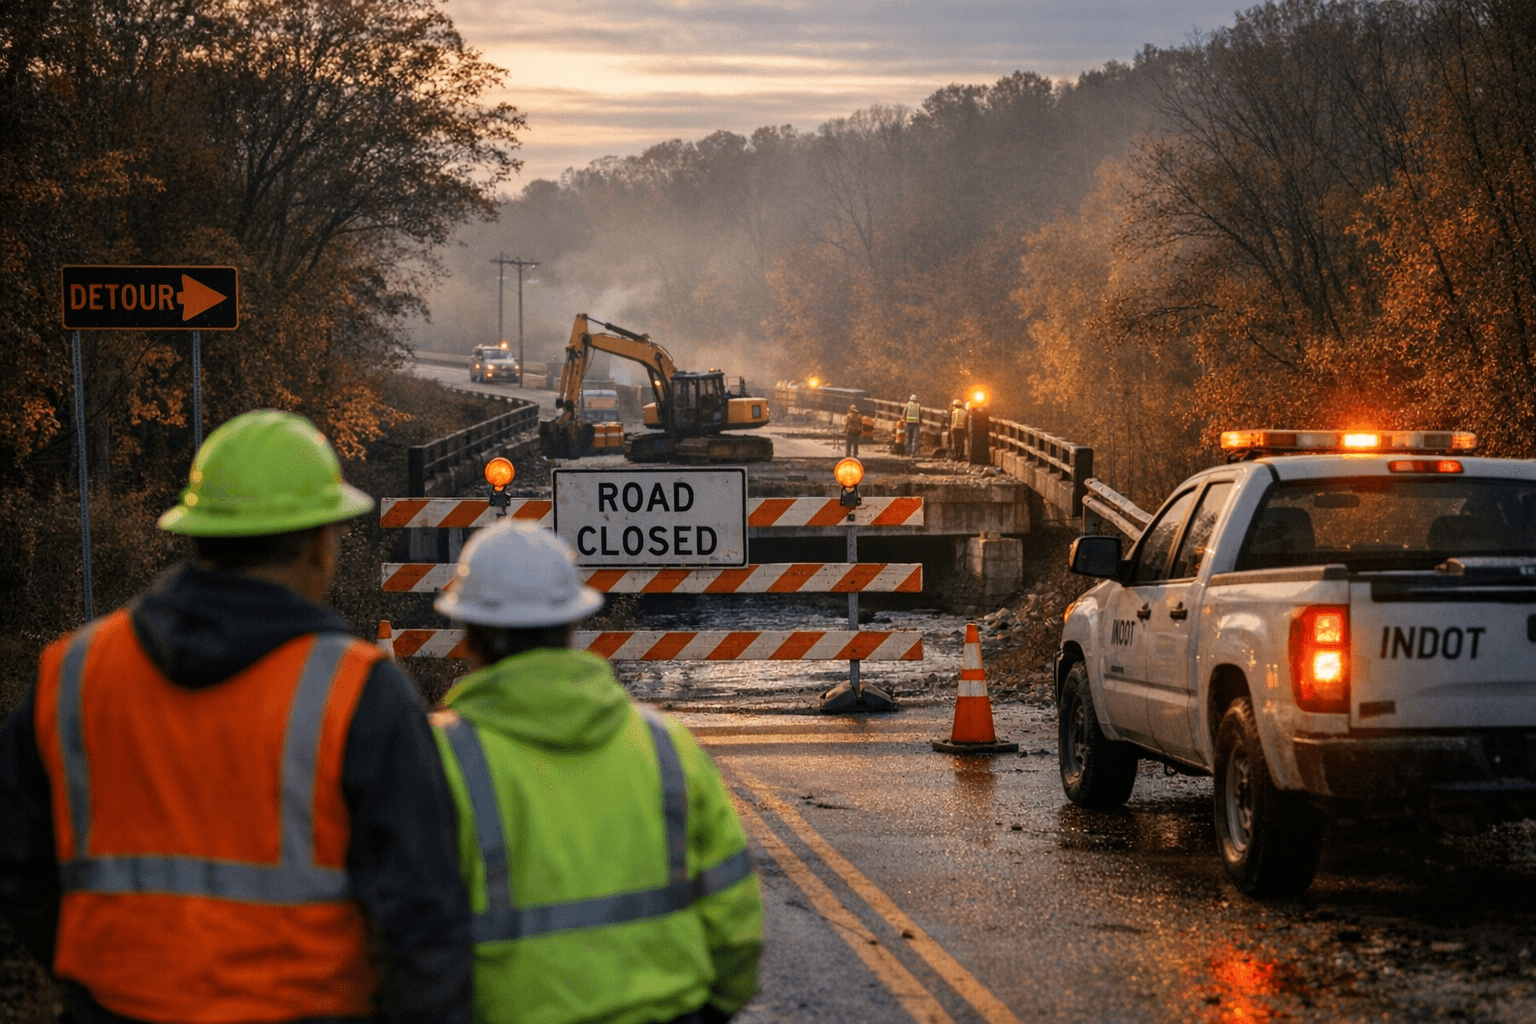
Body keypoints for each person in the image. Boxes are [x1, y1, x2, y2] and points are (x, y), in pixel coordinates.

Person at [0, 410, 471, 1024]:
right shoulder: (356, 691)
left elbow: (18, 859)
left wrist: (91, 982)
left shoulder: (75, 670)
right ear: (319, 546)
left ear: (196, 535)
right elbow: (423, 917)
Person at [429, 522, 763, 1024]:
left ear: (467, 635)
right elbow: (734, 910)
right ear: (572, 625)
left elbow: (413, 935)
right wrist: (715, 1010)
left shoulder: (442, 757)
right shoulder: (665, 745)